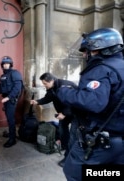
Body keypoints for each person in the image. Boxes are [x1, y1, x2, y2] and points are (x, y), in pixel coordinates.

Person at [56, 27, 124, 181]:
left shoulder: (100, 69)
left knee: (74, 172)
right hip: (119, 140)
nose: (85, 55)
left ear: (98, 48)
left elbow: (93, 102)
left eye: (87, 50)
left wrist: (64, 92)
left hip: (102, 143)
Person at [30, 72, 78, 167]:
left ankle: (69, 158)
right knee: (62, 129)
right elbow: (48, 98)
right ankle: (64, 145)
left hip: (75, 112)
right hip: (63, 113)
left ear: (51, 81)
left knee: (73, 135)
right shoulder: (52, 88)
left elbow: (73, 101)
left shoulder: (65, 86)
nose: (44, 85)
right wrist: (37, 102)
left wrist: (64, 113)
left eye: (45, 83)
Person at [0, 56, 23, 148]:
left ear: (11, 64)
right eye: (4, 64)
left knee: (10, 119)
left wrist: (8, 97)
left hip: (11, 99)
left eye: (7, 63)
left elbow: (17, 88)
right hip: (6, 99)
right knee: (9, 118)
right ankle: (11, 133)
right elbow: (0, 87)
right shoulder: (3, 76)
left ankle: (12, 139)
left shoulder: (15, 73)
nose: (6, 65)